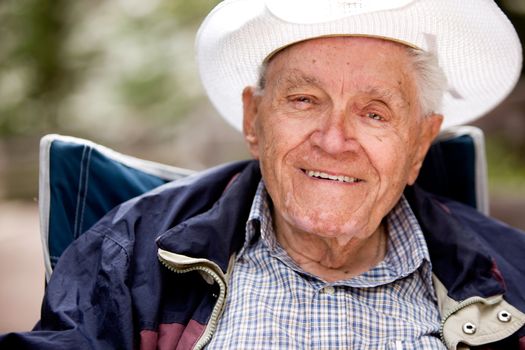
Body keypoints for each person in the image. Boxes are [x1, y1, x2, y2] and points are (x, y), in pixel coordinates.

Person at [1, 0, 525, 349]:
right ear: (254, 120)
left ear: (418, 145)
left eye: (374, 113)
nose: (333, 140)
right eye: (303, 100)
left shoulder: (514, 276)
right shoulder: (126, 251)